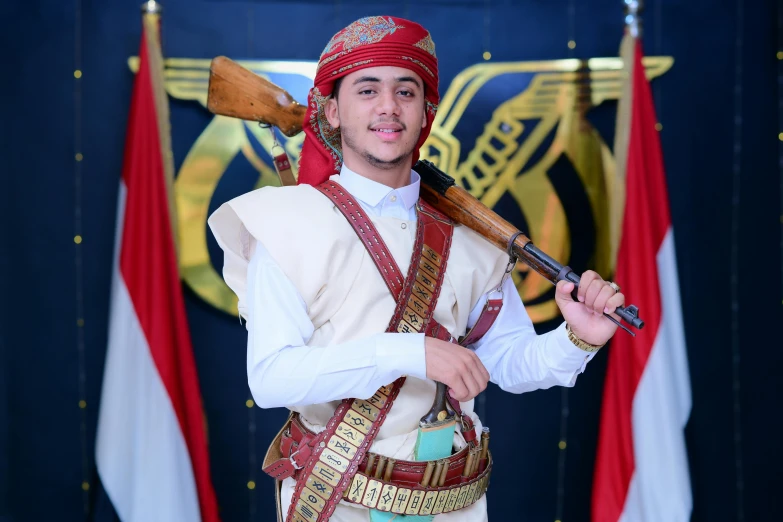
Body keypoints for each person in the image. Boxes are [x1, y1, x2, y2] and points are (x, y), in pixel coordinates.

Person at [208, 15, 625, 522]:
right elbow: (271, 379)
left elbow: (507, 364)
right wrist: (409, 352)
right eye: (367, 90)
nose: (388, 106)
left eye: (406, 91)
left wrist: (576, 338)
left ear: (427, 112)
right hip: (336, 500)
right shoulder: (286, 222)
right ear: (331, 111)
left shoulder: (476, 241)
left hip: (455, 503)